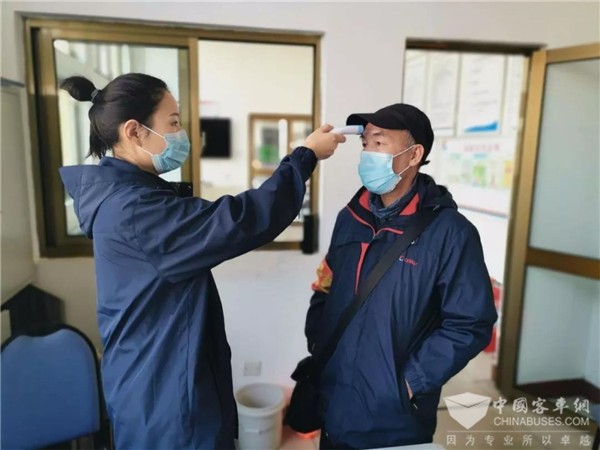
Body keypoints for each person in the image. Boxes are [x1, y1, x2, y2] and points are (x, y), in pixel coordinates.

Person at [58, 73, 345, 449]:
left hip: (151, 382)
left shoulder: (125, 198)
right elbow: (241, 220)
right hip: (167, 402)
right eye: (173, 122)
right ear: (134, 131)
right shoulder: (136, 211)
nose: (181, 134)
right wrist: (304, 157)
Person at [304, 104, 498, 449]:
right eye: (365, 144)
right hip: (333, 400)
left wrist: (408, 383)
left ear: (414, 155)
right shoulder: (350, 218)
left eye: (379, 143)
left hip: (393, 418)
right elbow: (325, 285)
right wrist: (317, 341)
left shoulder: (451, 233)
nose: (368, 153)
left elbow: (471, 323)